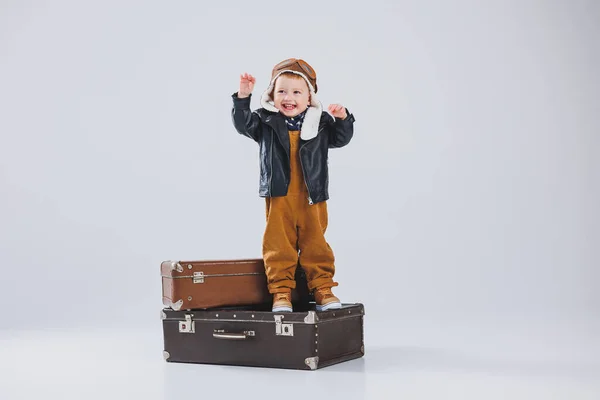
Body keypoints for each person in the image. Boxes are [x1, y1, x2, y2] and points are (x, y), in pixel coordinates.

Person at [231, 58, 355, 312]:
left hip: (313, 195)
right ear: (271, 95)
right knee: (278, 244)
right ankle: (281, 292)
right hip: (279, 195)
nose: (289, 97)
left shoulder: (320, 123)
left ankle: (322, 288)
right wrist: (243, 98)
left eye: (297, 92)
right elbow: (243, 125)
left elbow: (341, 139)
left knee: (316, 242)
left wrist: (343, 119)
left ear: (309, 98)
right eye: (282, 91)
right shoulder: (264, 122)